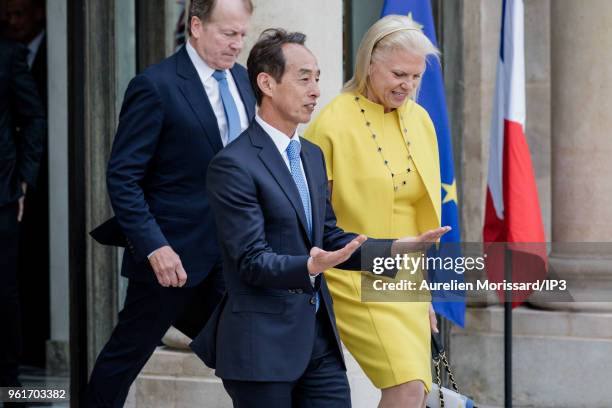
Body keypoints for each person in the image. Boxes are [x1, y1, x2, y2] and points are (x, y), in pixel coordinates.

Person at [190, 28, 449, 408]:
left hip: (318, 340)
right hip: (263, 345)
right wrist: (311, 265)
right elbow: (249, 260)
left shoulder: (309, 155)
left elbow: (330, 234)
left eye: (317, 79)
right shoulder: (233, 165)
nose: (315, 90)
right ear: (267, 83)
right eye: (303, 78)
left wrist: (394, 248)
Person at [86, 0, 256, 406]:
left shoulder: (245, 81)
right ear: (196, 26)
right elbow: (123, 177)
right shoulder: (156, 85)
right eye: (228, 34)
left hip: (233, 252)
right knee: (126, 355)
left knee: (249, 357)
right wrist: (155, 247)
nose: (237, 44)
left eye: (242, 35)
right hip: (172, 258)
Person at [304, 14, 443, 408]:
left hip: (405, 278)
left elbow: (418, 215)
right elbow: (313, 212)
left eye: (416, 77)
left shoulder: (422, 121)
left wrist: (425, 293)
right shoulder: (332, 121)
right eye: (399, 73)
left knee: (417, 391)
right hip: (353, 273)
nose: (408, 85)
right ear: (369, 64)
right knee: (406, 384)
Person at [0, 37, 45, 399]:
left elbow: (32, 117)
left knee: (4, 289)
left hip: (1, 192)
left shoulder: (8, 53)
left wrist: (24, 180)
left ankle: (9, 384)